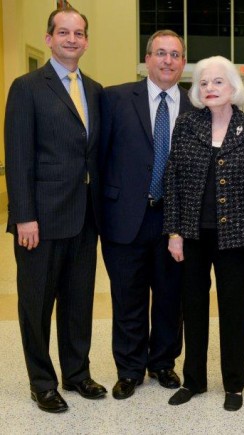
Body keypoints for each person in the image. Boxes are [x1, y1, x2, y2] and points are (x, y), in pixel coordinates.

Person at [4, 7, 106, 413]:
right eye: (63, 32)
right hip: (41, 220)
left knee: (79, 302)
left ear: (85, 40)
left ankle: (77, 374)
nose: (71, 39)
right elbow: (18, 155)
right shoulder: (27, 86)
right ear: (48, 39)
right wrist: (23, 215)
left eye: (78, 33)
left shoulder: (95, 90)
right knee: (36, 303)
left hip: (85, 217)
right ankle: (42, 382)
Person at [163, 56, 244, 411]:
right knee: (192, 308)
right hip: (193, 234)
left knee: (235, 310)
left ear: (233, 88)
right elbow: (173, 180)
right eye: (204, 83)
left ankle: (234, 385)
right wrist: (174, 231)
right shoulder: (185, 126)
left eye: (217, 82)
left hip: (238, 237)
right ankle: (194, 380)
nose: (210, 88)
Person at [99, 30, 189, 400]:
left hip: (175, 224)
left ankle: (163, 363)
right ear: (147, 59)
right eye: (160, 53)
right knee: (127, 297)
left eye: (175, 55)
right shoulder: (115, 98)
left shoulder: (198, 107)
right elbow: (99, 156)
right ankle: (130, 368)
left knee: (171, 298)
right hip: (126, 217)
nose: (168, 61)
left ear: (184, 62)